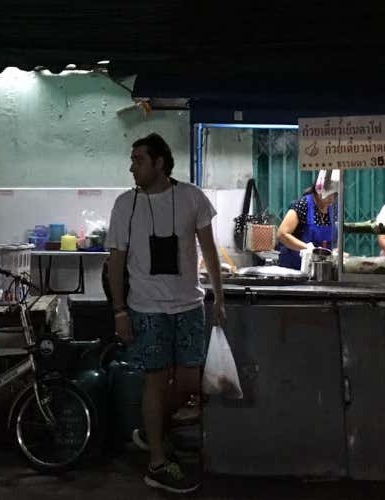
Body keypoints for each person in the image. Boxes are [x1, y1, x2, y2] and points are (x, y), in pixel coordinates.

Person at [105, 133, 225, 494]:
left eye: (138, 159)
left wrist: (219, 297)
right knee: (155, 381)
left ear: (159, 163)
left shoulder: (191, 197)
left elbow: (210, 249)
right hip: (147, 309)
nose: (132, 166)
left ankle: (150, 428)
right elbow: (116, 261)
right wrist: (119, 312)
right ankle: (157, 462)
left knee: (190, 381)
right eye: (132, 159)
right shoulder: (125, 205)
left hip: (189, 305)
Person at [277, 170, 338, 270]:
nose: (333, 199)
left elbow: (330, 242)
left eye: (335, 194)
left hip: (320, 269)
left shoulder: (332, 208)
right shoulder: (303, 204)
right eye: (330, 194)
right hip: (294, 268)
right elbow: (282, 234)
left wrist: (337, 252)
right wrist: (308, 248)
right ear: (319, 190)